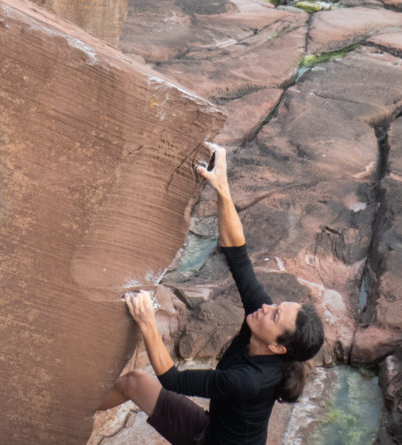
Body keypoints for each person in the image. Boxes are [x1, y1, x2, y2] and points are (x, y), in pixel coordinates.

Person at [97, 145, 325, 445]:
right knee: (134, 383)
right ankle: (71, 415)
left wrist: (147, 322)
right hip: (212, 431)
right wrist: (222, 187)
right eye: (276, 305)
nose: (268, 307)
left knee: (144, 384)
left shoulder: (250, 380)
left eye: (276, 314)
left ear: (278, 347)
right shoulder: (260, 320)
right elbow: (237, 253)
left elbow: (174, 380)